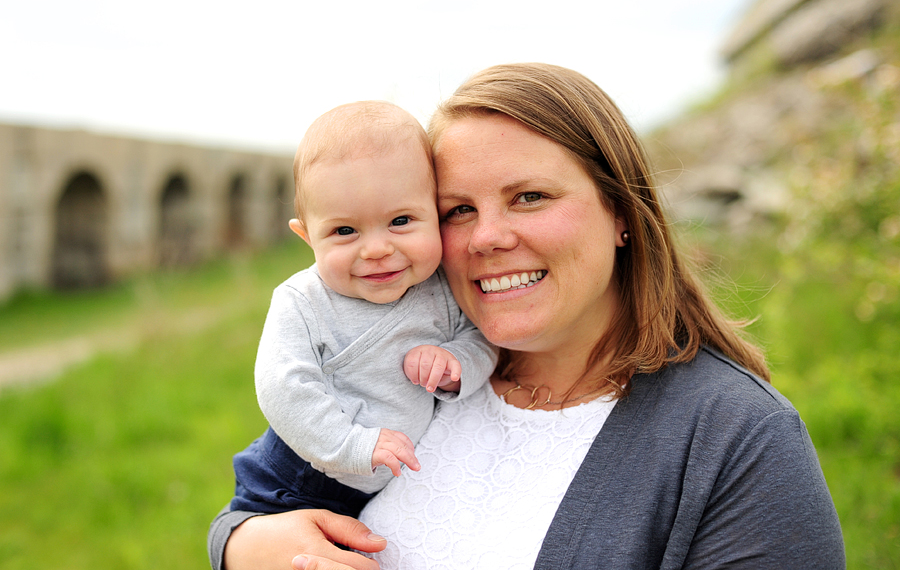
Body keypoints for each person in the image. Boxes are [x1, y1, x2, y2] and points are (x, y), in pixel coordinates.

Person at [209, 64, 845, 570]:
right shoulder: (423, 360)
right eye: (457, 209)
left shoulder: (740, 440)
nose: (487, 236)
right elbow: (262, 501)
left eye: (530, 197)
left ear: (622, 211)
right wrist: (240, 547)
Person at [229, 101, 497, 519]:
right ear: (307, 237)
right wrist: (352, 446)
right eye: (345, 231)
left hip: (387, 483)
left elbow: (482, 339)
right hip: (303, 478)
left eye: (402, 221)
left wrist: (455, 360)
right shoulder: (302, 301)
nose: (376, 249)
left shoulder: (441, 287)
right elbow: (284, 388)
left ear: (437, 214)